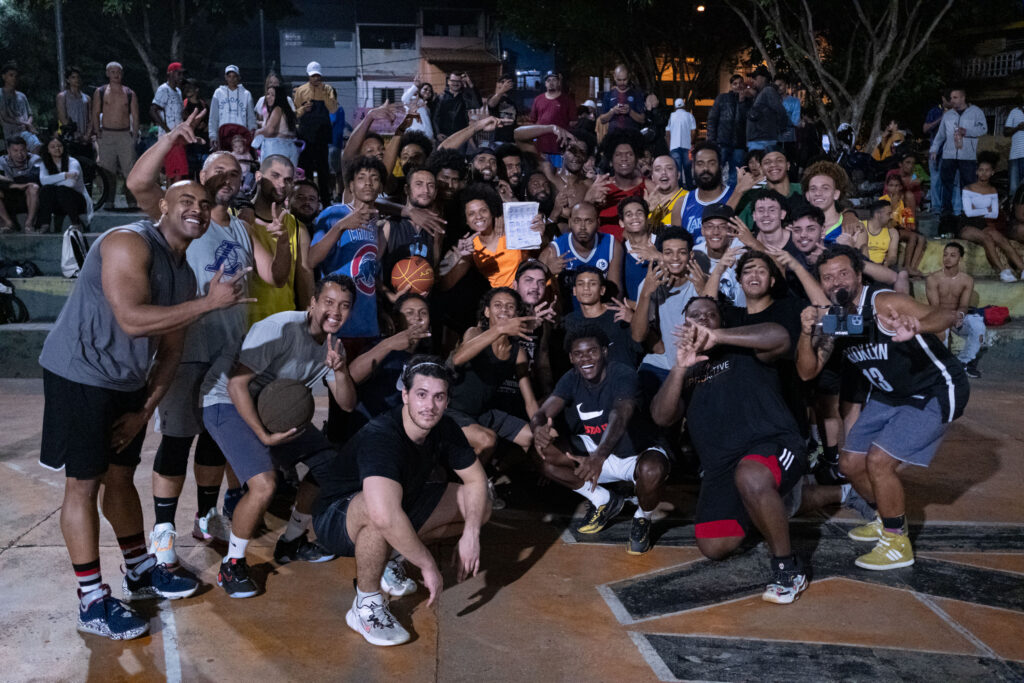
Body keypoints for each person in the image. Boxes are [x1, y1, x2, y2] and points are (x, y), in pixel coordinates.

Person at [37, 175, 248, 639]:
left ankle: (138, 567)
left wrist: (143, 410)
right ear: (163, 206)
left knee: (120, 475)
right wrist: (208, 304)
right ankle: (91, 600)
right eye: (185, 200)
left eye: (204, 203)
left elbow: (171, 351)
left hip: (126, 382)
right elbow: (132, 319)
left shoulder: (184, 273)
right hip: (80, 374)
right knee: (83, 483)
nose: (196, 208)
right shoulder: (127, 243)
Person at [127, 114, 295, 567]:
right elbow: (139, 183)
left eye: (236, 175)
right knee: (178, 439)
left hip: (228, 354)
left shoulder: (241, 226)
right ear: (200, 177)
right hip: (186, 351)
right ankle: (163, 530)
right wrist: (169, 139)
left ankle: (204, 517)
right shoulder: (181, 216)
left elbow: (275, 275)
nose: (228, 180)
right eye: (219, 172)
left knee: (215, 441)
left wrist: (280, 242)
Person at [796, 245, 969, 571]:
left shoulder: (884, 303)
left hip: (934, 390)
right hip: (891, 395)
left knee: (878, 461)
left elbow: (945, 315)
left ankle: (895, 543)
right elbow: (807, 371)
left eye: (843, 273)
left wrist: (918, 326)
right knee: (849, 463)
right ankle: (886, 517)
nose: (836, 282)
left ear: (859, 276)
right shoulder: (840, 319)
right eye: (827, 278)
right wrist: (807, 334)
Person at [311, 358, 490, 646]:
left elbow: (477, 481)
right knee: (377, 510)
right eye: (421, 394)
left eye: (438, 397)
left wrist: (471, 534)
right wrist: (428, 565)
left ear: (446, 401)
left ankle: (389, 558)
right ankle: (365, 605)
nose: (429, 406)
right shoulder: (381, 436)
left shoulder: (444, 427)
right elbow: (383, 514)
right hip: (337, 517)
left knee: (480, 505)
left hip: (395, 503)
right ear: (405, 395)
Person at [202, 275, 359, 597]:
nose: (335, 312)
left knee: (332, 467)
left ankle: (292, 541)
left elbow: (346, 404)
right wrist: (263, 435)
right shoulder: (282, 328)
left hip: (269, 408)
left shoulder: (334, 346)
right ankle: (232, 565)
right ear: (312, 303)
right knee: (265, 484)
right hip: (225, 401)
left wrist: (341, 370)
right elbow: (235, 384)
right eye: (328, 303)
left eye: (344, 306)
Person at [651, 297, 808, 603]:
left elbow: (781, 336)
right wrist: (679, 370)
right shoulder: (689, 371)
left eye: (711, 315)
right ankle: (769, 505)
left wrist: (719, 337)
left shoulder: (744, 347)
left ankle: (788, 570)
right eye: (695, 316)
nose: (704, 319)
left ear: (721, 322)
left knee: (751, 476)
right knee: (714, 544)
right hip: (722, 467)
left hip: (772, 444)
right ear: (685, 326)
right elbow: (661, 416)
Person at [532, 325, 669, 553]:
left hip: (635, 454)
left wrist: (599, 456)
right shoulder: (571, 377)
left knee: (653, 471)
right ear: (571, 358)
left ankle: (642, 517)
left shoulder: (623, 374)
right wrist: (538, 428)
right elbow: (543, 411)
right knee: (542, 453)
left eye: (592, 351)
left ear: (605, 352)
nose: (585, 358)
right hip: (597, 453)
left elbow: (621, 413)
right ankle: (604, 499)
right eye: (578, 354)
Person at [448, 287, 539, 460]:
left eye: (510, 306)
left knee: (532, 437)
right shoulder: (474, 333)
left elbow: (530, 401)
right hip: (453, 412)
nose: (504, 309)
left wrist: (541, 426)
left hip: (484, 414)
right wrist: (499, 329)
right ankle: (471, 485)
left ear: (516, 314)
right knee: (487, 440)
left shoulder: (517, 351)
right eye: (497, 305)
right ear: (487, 312)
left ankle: (500, 474)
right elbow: (458, 359)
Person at [309, 156, 385, 340]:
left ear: (381, 187)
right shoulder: (334, 213)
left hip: (367, 321)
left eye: (374, 178)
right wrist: (340, 226)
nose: (368, 183)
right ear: (351, 186)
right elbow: (311, 259)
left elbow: (370, 275)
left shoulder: (379, 225)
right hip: (336, 320)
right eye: (361, 178)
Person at [632, 227, 702, 398]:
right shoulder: (649, 285)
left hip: (696, 364)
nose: (675, 258)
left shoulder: (701, 281)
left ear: (691, 256)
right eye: (668, 253)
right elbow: (637, 336)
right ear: (660, 256)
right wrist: (646, 294)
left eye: (682, 252)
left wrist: (704, 290)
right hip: (663, 363)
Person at [247, 154, 313, 326]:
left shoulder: (298, 228)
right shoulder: (235, 218)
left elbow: (304, 280)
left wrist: (307, 324)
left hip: (284, 324)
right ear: (258, 177)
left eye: (288, 179)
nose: (282, 184)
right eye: (275, 176)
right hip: (244, 324)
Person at [544, 201, 623, 309]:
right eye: (577, 221)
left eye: (588, 221)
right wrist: (547, 272)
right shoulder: (554, 249)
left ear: (598, 222)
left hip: (600, 312)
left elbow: (615, 293)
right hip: (567, 315)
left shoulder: (611, 244)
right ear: (570, 222)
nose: (582, 227)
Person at [961, 151, 1023, 282]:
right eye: (981, 170)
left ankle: (1022, 268)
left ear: (992, 172)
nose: (983, 173)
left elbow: (994, 213)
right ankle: (1003, 271)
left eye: (987, 170)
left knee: (1001, 239)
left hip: (983, 224)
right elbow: (968, 212)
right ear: (977, 172)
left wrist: (978, 209)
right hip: (967, 224)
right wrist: (986, 209)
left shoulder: (993, 190)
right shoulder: (968, 189)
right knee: (987, 239)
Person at [926, 242, 985, 378]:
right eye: (945, 254)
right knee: (941, 330)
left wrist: (960, 314)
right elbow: (934, 307)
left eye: (953, 255)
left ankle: (964, 362)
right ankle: (944, 366)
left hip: (956, 317)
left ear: (960, 258)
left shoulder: (967, 280)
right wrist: (948, 317)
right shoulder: (933, 279)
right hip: (939, 316)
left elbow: (964, 305)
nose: (947, 258)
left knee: (978, 326)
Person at [930, 86, 987, 224]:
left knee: (969, 184)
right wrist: (934, 149)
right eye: (951, 98)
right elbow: (940, 135)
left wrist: (967, 131)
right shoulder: (948, 115)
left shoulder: (976, 112)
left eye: (955, 97)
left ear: (963, 97)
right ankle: (947, 212)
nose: (952, 100)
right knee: (947, 184)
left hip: (967, 156)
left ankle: (970, 214)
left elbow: (983, 129)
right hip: (949, 155)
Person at [564, 267, 642, 368]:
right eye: (580, 284)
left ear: (602, 290)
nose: (586, 288)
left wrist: (634, 321)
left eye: (592, 284)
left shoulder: (619, 314)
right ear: (574, 291)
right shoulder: (570, 321)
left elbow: (642, 347)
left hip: (622, 379)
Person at [91, 62, 139, 206]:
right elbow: (95, 112)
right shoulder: (100, 91)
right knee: (107, 170)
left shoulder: (129, 93)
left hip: (125, 135)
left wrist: (134, 136)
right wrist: (97, 131)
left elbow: (135, 116)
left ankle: (131, 201)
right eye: (112, 72)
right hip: (106, 134)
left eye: (118, 72)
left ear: (122, 74)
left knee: (129, 170)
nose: (116, 75)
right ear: (107, 73)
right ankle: (108, 201)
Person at [585, 130, 646, 237]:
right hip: (603, 248)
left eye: (629, 154)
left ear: (636, 159)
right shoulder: (600, 187)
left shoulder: (648, 187)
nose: (624, 159)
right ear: (610, 161)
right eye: (618, 155)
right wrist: (588, 200)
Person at [294, 62, 338, 200]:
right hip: (306, 134)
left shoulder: (329, 89)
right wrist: (303, 109)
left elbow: (333, 109)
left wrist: (325, 96)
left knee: (323, 169)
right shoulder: (301, 90)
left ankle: (325, 199)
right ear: (308, 76)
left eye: (318, 76)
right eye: (313, 76)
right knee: (305, 169)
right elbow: (295, 113)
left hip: (322, 135)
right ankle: (305, 197)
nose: (316, 79)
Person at [676, 142, 734, 244]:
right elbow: (676, 246)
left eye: (711, 163)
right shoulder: (681, 204)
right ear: (693, 167)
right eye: (700, 164)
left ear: (720, 166)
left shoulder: (735, 196)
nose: (705, 169)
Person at [37, 134, 92, 231]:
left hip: (77, 201)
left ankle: (76, 223)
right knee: (46, 190)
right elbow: (43, 181)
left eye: (59, 146)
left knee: (62, 190)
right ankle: (45, 224)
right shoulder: (44, 163)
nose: (57, 149)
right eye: (53, 147)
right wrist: (64, 175)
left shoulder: (72, 162)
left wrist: (52, 180)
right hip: (58, 202)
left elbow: (70, 184)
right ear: (48, 150)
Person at [707, 74, 751, 186]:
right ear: (731, 86)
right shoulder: (722, 98)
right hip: (722, 142)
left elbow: (748, 120)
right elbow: (712, 119)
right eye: (735, 83)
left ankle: (731, 199)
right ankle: (712, 194)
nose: (738, 86)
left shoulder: (748, 101)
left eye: (741, 83)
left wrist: (742, 102)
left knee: (735, 175)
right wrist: (712, 140)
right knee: (715, 171)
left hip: (739, 145)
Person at [882, 172, 925, 277]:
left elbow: (908, 221)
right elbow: (886, 222)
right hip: (886, 229)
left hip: (898, 228)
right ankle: (907, 266)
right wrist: (893, 203)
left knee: (921, 239)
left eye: (897, 186)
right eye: (891, 185)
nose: (894, 188)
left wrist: (907, 225)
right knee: (913, 237)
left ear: (901, 187)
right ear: (887, 187)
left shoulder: (902, 202)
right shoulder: (883, 200)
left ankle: (912, 267)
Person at [529, 71, 576, 166]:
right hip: (541, 147)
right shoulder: (538, 99)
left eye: (554, 80)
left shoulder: (567, 101)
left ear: (559, 82)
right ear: (545, 84)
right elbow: (533, 121)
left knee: (559, 175)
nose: (551, 82)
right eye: (548, 80)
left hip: (559, 148)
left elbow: (573, 122)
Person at [151, 62, 187, 182]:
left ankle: (172, 194)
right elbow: (153, 110)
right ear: (170, 74)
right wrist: (166, 129)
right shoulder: (163, 89)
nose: (181, 76)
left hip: (178, 135)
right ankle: (168, 195)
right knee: (172, 170)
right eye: (178, 73)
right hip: (168, 136)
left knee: (177, 169)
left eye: (182, 74)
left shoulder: (178, 91)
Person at [209, 65, 256, 152]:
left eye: (234, 76)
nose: (232, 79)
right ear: (225, 77)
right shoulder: (218, 93)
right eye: (229, 76)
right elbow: (213, 117)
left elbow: (251, 117)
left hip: (241, 134)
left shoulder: (246, 94)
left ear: (239, 78)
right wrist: (213, 136)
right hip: (223, 134)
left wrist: (252, 133)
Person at [0, 136, 41, 232]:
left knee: (33, 187)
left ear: (27, 149)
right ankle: (8, 223)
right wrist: (19, 185)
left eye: (22, 150)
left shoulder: (35, 159)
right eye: (15, 150)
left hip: (28, 195)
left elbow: (34, 179)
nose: (20, 154)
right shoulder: (2, 161)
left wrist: (10, 182)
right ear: (9, 151)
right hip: (9, 195)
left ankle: (29, 224)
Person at [255, 85, 300, 167]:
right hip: (289, 148)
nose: (268, 97)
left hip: (277, 149)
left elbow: (270, 130)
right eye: (268, 94)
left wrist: (258, 132)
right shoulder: (286, 110)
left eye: (272, 95)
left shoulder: (277, 109)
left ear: (279, 97)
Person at [746, 65, 789, 152]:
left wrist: (780, 129)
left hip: (763, 139)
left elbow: (781, 111)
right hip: (759, 138)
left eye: (755, 78)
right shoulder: (762, 93)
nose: (752, 80)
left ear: (763, 78)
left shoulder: (768, 91)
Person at [0, 62, 40, 150]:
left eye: (16, 76)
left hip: (26, 131)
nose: (14, 78)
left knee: (38, 147)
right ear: (4, 77)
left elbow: (30, 114)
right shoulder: (1, 94)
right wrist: (26, 123)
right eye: (11, 75)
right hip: (12, 133)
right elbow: (5, 116)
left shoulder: (22, 96)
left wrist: (28, 124)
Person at [435, 72, 482, 142]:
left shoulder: (465, 97)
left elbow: (478, 105)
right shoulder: (441, 98)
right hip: (444, 137)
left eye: (458, 81)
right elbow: (435, 118)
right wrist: (437, 133)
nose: (455, 83)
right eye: (453, 81)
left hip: (461, 136)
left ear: (462, 83)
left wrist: (471, 85)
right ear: (448, 82)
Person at [599, 65, 645, 134]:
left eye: (624, 79)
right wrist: (613, 111)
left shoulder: (636, 94)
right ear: (614, 77)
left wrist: (630, 111)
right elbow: (602, 120)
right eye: (619, 80)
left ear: (628, 77)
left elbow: (642, 120)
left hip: (632, 136)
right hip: (614, 136)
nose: (622, 83)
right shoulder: (608, 95)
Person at [56, 66, 92, 144]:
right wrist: (75, 133)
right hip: (69, 136)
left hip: (84, 137)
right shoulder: (62, 96)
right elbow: (62, 117)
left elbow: (90, 119)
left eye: (78, 77)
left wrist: (87, 135)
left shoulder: (87, 98)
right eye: (73, 77)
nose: (77, 79)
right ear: (68, 80)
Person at [667, 99, 697, 188]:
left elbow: (667, 134)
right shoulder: (689, 116)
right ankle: (690, 190)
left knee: (677, 171)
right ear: (684, 106)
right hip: (687, 146)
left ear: (675, 107)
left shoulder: (671, 116)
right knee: (688, 170)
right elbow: (693, 132)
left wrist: (669, 147)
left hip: (674, 147)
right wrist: (691, 143)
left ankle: (679, 191)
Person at [862, 200, 898, 267]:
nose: (891, 217)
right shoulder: (861, 227)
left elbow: (893, 256)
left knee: (902, 274)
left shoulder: (892, 233)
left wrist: (888, 263)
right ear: (878, 215)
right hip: (863, 266)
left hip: (882, 267)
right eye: (888, 214)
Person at [403, 75, 437, 141]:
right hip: (415, 137)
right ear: (419, 90)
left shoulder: (428, 106)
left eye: (430, 91)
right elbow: (404, 99)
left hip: (428, 138)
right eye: (425, 89)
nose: (428, 92)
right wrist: (415, 86)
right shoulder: (414, 100)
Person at [1005, 94, 1024, 197]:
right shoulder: (1014, 111)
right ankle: (1013, 212)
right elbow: (1005, 132)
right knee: (1014, 189)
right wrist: (1017, 127)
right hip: (1015, 156)